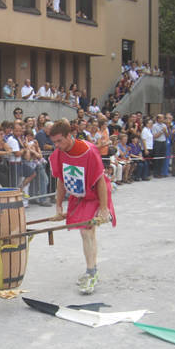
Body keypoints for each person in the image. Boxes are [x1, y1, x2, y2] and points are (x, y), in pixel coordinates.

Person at [49, 120, 116, 295]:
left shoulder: (89, 151)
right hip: (79, 196)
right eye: (54, 142)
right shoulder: (59, 153)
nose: (56, 145)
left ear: (69, 136)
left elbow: (100, 180)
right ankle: (91, 270)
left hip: (95, 194)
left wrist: (103, 208)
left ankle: (92, 272)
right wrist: (58, 206)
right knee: (85, 233)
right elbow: (61, 180)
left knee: (87, 231)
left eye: (59, 141)